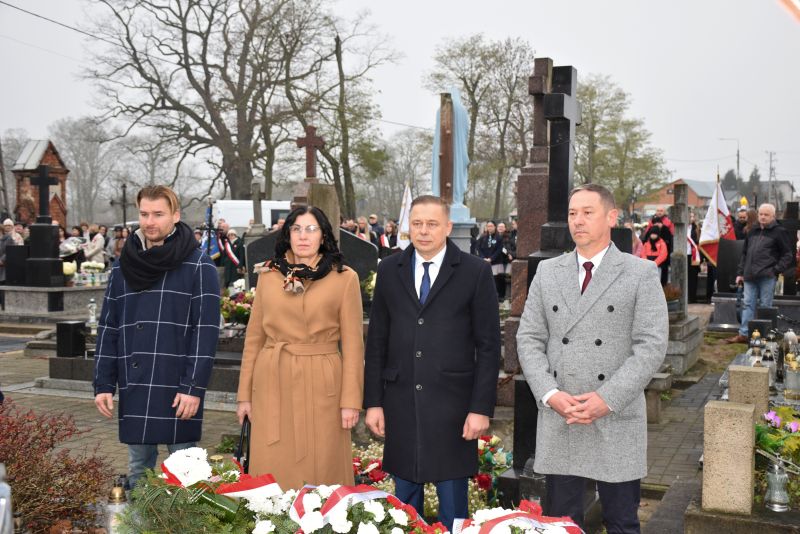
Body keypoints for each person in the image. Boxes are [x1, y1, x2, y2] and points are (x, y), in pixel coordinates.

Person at [516, 183, 668, 533]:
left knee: (621, 522)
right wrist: (550, 394)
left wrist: (607, 398)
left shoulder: (640, 273)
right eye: (573, 213)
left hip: (615, 415)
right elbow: (529, 338)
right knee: (561, 523)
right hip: (562, 415)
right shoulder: (548, 272)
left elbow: (650, 346)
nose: (578, 221)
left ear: (611, 217)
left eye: (588, 212)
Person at [364, 195, 501, 531]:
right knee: (404, 510)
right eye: (417, 223)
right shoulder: (389, 269)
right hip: (401, 403)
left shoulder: (475, 271)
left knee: (453, 509)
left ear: (448, 227)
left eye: (432, 224)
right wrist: (374, 402)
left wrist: (480, 408)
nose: (423, 231)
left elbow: (488, 346)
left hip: (453, 407)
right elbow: (377, 340)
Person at [93, 185, 221, 490]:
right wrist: (103, 383)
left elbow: (205, 332)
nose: (150, 221)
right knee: (139, 471)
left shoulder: (198, 265)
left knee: (187, 477)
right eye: (144, 214)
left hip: (177, 387)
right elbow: (109, 326)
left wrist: (193, 387)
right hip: (136, 382)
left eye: (158, 214)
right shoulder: (123, 266)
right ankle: (138, 517)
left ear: (175, 216)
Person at [237, 206, 364, 488]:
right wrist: (244, 395)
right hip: (272, 382)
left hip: (323, 385)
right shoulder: (269, 275)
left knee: (322, 470)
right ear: (288, 235)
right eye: (296, 229)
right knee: (272, 471)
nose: (303, 236)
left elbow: (354, 346)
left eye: (311, 229)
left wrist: (351, 401)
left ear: (323, 236)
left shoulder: (344, 277)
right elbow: (254, 339)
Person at [726, 203, 794, 344]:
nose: (763, 217)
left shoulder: (779, 232)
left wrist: (775, 270)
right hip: (749, 275)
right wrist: (740, 273)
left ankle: (764, 335)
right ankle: (744, 334)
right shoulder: (752, 231)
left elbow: (787, 255)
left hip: (767, 277)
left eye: (766, 214)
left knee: (765, 307)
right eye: (761, 214)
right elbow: (745, 254)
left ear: (773, 216)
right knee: (747, 305)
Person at [476, 221, 505, 301]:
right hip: (484, 261)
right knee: (485, 279)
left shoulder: (498, 238)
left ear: (495, 227)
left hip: (496, 262)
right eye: (488, 226)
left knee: (496, 280)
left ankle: (498, 296)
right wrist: (483, 258)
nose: (489, 228)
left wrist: (491, 258)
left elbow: (499, 250)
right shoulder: (482, 237)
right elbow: (478, 248)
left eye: (491, 226)